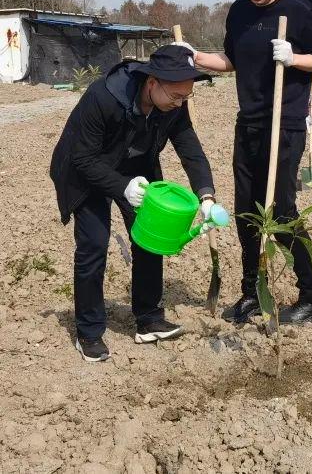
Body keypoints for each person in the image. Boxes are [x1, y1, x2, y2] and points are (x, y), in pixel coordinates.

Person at [185, 0, 312, 325]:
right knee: (246, 213)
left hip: (283, 125)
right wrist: (195, 57)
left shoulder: (296, 12)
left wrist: (294, 58)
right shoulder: (238, 12)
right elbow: (231, 61)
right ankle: (252, 291)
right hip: (248, 122)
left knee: (281, 211)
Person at [50, 45, 219, 362]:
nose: (180, 103)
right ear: (152, 83)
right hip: (86, 171)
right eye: (176, 96)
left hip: (135, 169)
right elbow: (82, 157)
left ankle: (149, 318)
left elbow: (191, 151)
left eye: (186, 97)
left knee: (149, 238)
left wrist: (206, 197)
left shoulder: (173, 106)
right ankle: (89, 332)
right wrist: (121, 186)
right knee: (94, 245)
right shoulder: (104, 97)